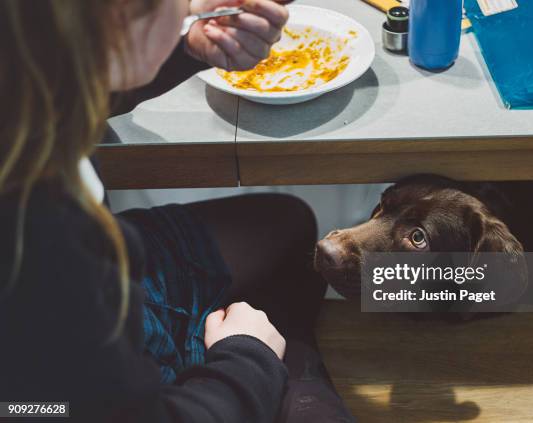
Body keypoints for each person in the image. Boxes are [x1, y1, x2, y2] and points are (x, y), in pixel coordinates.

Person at [0, 0, 354, 422]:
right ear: (116, 21)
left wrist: (183, 44)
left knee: (290, 229)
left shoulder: (25, 62)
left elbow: (76, 76)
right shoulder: (43, 245)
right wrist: (247, 358)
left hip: (105, 299)